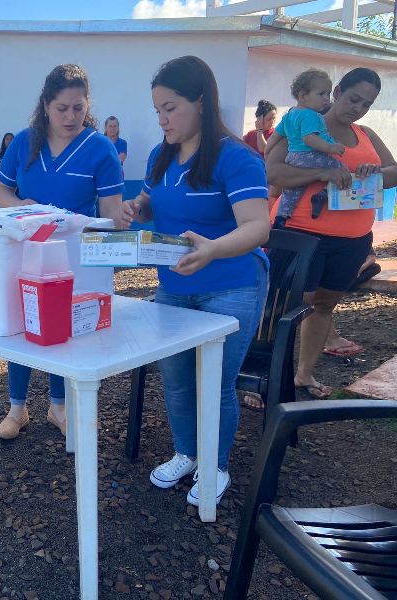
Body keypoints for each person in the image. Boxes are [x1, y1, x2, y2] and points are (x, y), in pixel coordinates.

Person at [126, 56, 270, 506]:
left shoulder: (236, 158)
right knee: (176, 378)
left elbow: (256, 227)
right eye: (157, 110)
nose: (163, 119)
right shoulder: (160, 155)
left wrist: (211, 248)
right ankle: (187, 453)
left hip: (232, 284)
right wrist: (138, 208)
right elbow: (150, 203)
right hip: (175, 284)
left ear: (202, 102)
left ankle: (216, 464)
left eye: (171, 107)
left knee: (215, 381)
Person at [0, 64, 131, 440]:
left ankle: (58, 405)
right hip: (25, 251)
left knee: (61, 326)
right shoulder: (24, 141)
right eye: (61, 108)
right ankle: (17, 408)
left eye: (78, 107)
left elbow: (109, 214)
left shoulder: (100, 148)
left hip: (73, 258)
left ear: (88, 105)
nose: (70, 116)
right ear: (45, 106)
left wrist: (128, 217)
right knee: (20, 322)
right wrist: (23, 206)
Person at [266, 67, 397, 399]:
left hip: (351, 240)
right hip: (301, 235)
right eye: (354, 98)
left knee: (323, 306)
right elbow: (273, 172)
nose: (358, 108)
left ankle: (303, 376)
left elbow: (394, 170)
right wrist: (322, 172)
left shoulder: (365, 134)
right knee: (280, 310)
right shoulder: (302, 123)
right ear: (337, 91)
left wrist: (375, 172)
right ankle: (264, 379)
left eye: (366, 104)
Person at [268, 69, 346, 228]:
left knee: (293, 189)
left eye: (328, 94)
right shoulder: (311, 115)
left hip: (293, 158)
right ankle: (322, 194)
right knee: (340, 170)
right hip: (309, 155)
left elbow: (274, 137)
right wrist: (330, 148)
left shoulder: (289, 116)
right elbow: (309, 138)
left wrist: (267, 153)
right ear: (303, 96)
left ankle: (281, 217)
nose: (326, 98)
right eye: (321, 94)